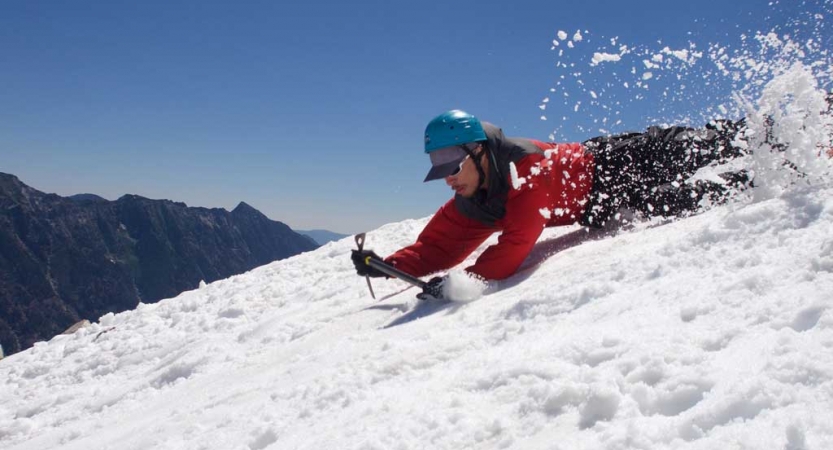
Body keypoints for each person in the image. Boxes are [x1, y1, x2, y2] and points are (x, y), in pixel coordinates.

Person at [352, 109, 751, 298]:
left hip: (617, 163)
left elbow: (514, 248)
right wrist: (389, 265)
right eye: (438, 169)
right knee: (685, 200)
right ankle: (760, 178)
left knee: (700, 148)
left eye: (451, 164)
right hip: (602, 205)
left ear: (477, 151)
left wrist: (460, 281)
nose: (448, 177)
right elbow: (439, 244)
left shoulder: (525, 170)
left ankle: (772, 132)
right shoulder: (477, 194)